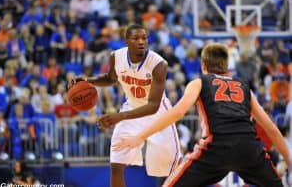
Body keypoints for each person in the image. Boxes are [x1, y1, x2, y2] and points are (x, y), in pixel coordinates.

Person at [114, 43, 292, 187]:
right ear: (226, 66)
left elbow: (177, 112)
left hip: (216, 147)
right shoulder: (244, 86)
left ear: (203, 66)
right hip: (248, 148)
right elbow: (272, 129)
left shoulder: (199, 82)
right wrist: (290, 163)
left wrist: (140, 136)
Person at [70, 24, 181, 187]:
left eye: (144, 38)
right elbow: (110, 79)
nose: (141, 42)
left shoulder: (159, 64)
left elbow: (153, 106)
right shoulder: (116, 57)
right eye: (136, 38)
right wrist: (88, 81)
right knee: (116, 162)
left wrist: (118, 116)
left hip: (159, 114)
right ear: (126, 41)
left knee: (172, 169)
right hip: (131, 108)